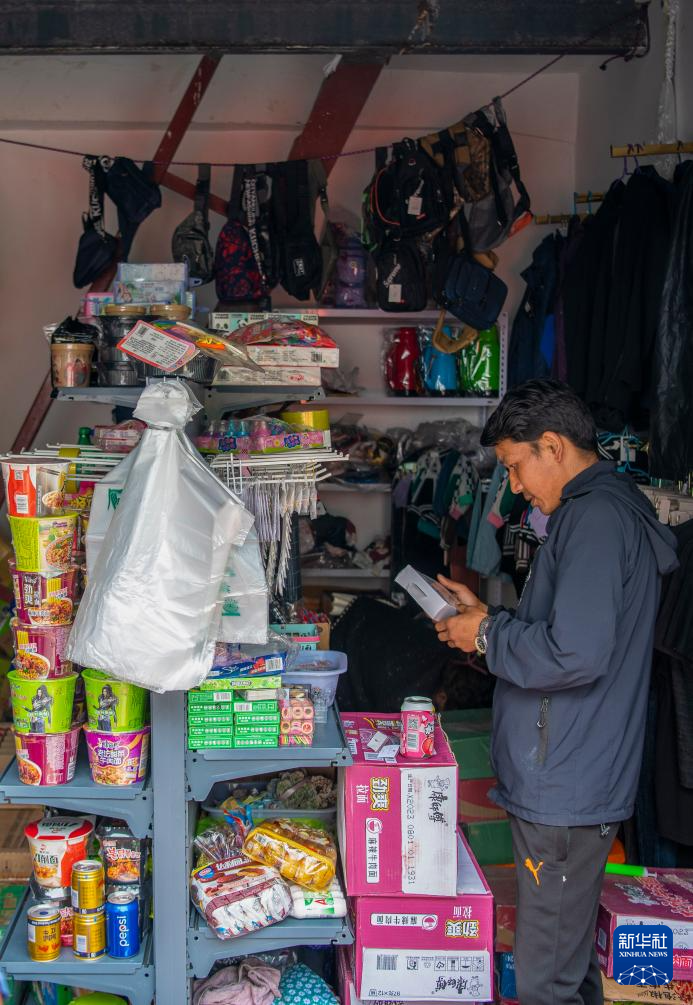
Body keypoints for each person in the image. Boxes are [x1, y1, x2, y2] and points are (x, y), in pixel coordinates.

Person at [434, 379, 678, 1005]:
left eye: (516, 466)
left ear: (552, 445)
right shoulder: (598, 512)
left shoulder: (595, 520)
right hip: (571, 771)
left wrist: (486, 636)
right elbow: (566, 633)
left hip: (566, 780)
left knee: (547, 978)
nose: (514, 486)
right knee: (567, 966)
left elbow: (575, 654)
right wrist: (487, 620)